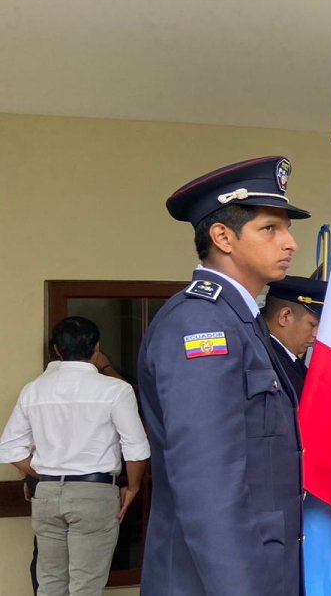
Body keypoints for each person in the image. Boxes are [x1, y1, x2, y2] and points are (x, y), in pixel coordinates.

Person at [137, 155, 309, 596]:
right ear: (222, 237)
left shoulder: (241, 321)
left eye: (287, 228)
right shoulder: (202, 325)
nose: (289, 243)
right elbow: (208, 483)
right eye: (270, 229)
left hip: (261, 566)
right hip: (220, 579)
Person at [0, 316, 150, 596]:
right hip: (93, 493)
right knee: (86, 586)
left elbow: (10, 448)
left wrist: (48, 473)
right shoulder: (115, 390)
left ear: (57, 349)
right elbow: (136, 447)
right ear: (97, 348)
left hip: (46, 493)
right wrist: (133, 486)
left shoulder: (34, 389)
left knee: (50, 583)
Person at [264, 274, 327, 395]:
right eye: (313, 324)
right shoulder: (266, 362)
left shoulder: (287, 358)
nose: (317, 334)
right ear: (285, 316)